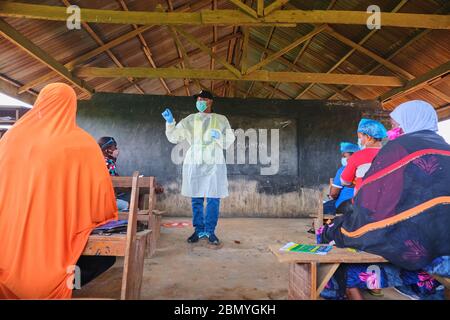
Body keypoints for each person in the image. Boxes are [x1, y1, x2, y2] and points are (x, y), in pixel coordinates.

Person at [318, 100, 450, 300]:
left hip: (415, 240)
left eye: (396, 125)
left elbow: (372, 200)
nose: (393, 130)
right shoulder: (445, 148)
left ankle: (345, 286)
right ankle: (428, 286)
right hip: (445, 241)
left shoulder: (398, 148)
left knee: (329, 232)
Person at [0, 83, 118, 299]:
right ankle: (67, 283)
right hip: (58, 231)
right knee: (105, 257)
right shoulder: (82, 143)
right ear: (71, 107)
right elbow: (101, 197)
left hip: (8, 235)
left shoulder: (11, 138)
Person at [161, 90, 235, 245]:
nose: (200, 102)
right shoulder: (190, 119)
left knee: (214, 199)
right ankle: (198, 230)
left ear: (210, 101)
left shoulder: (221, 120)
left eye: (203, 99)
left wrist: (219, 137)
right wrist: (169, 122)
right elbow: (174, 137)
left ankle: (210, 231)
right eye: (198, 100)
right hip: (194, 162)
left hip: (214, 162)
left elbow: (229, 141)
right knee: (197, 199)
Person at [340, 119, 387, 195]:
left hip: (362, 200)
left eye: (360, 137)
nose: (360, 141)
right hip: (385, 199)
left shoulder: (357, 156)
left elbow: (344, 181)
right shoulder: (389, 153)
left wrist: (355, 180)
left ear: (368, 137)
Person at [323, 142, 360, 216]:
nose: (343, 159)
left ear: (353, 156)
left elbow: (334, 193)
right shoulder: (365, 168)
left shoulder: (343, 170)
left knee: (324, 207)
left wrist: (332, 196)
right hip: (363, 205)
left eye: (345, 156)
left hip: (345, 205)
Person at [98, 136, 129, 212]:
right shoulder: (109, 162)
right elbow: (115, 183)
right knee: (128, 205)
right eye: (114, 147)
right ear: (107, 150)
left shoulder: (97, 160)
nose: (116, 150)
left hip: (95, 199)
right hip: (104, 200)